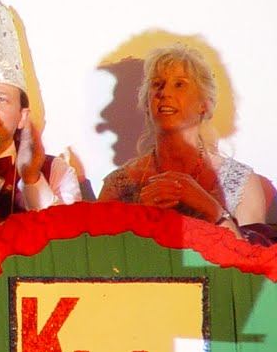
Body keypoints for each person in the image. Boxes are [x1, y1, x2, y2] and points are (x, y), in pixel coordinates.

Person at [98, 43, 268, 239]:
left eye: (179, 84)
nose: (164, 93)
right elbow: (99, 253)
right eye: (157, 84)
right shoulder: (118, 186)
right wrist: (138, 217)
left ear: (204, 105)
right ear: (146, 103)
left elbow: (251, 256)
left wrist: (212, 209)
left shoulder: (241, 182)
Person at [0, 0, 80, 227]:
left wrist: (32, 178)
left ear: (23, 117)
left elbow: (69, 239)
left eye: (2, 100)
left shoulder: (56, 171)